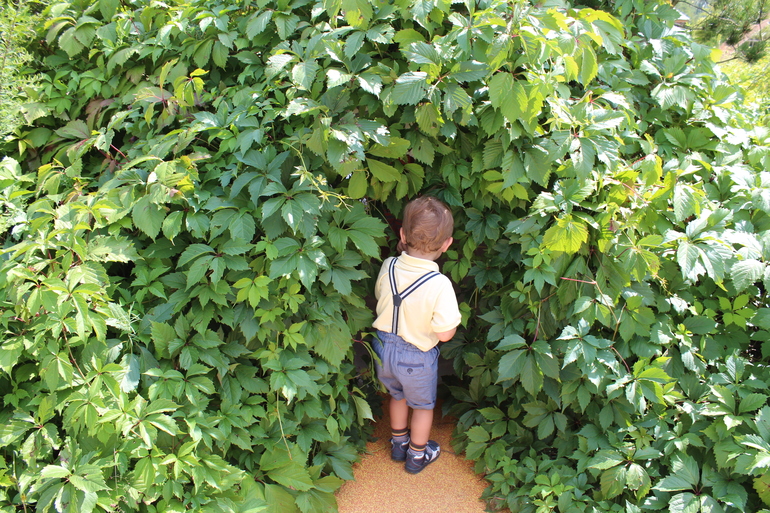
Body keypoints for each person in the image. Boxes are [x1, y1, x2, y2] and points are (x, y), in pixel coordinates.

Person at [371, 195, 462, 474]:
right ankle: (417, 456)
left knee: (396, 396)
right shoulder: (439, 284)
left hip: (382, 349)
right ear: (447, 244)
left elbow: (380, 295)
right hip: (416, 357)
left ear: (402, 234)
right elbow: (445, 334)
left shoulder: (389, 266)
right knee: (422, 407)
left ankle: (398, 444)